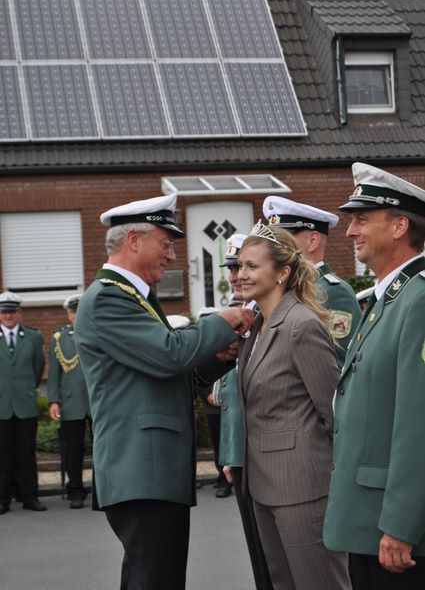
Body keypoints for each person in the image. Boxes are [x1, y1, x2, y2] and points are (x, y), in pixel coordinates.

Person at [74, 193, 253, 590]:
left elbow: (169, 373)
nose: (172, 256)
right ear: (133, 240)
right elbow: (171, 354)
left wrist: (219, 358)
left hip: (150, 470)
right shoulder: (109, 298)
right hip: (141, 469)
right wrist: (224, 320)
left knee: (155, 578)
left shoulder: (134, 298)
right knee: (154, 579)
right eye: (166, 243)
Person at [323, 162, 425, 589]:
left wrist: (401, 523)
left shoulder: (418, 300)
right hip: (368, 516)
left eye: (362, 219)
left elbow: (417, 422)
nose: (350, 231)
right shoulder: (389, 299)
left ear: (400, 226)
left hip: (393, 528)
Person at [237, 222, 351, 590]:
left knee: (319, 583)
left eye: (252, 266)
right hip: (263, 485)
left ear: (282, 273)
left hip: (303, 487)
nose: (241, 274)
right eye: (240, 266)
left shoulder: (301, 324)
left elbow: (334, 411)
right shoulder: (255, 329)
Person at [215, 233, 274, 589]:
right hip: (241, 451)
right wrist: (230, 449)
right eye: (232, 268)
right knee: (259, 553)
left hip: (266, 453)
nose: (236, 276)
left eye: (243, 267)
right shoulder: (244, 315)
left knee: (277, 557)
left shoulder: (267, 315)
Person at [263, 197, 361, 368]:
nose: (273, 248)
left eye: (282, 240)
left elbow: (340, 363)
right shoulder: (283, 289)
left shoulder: (333, 292)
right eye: (272, 241)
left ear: (313, 241)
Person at [0, 291, 46, 514]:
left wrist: (25, 389)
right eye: (4, 312)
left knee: (27, 452)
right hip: (1, 405)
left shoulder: (33, 337)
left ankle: (30, 497)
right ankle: (3, 499)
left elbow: (38, 368)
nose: (8, 315)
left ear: (19, 313)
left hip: (25, 404)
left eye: (12, 311)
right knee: (2, 454)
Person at [47, 294, 91, 509]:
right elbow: (53, 374)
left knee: (104, 447)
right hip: (71, 402)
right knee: (72, 449)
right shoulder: (60, 338)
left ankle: (104, 489)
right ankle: (75, 490)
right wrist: (54, 401)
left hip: (97, 401)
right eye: (73, 311)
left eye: (79, 310)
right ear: (69, 315)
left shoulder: (98, 332)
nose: (76, 314)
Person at [197, 306, 233, 499]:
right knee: (218, 444)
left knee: (233, 441)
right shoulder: (203, 350)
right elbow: (198, 376)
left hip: (232, 405)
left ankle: (233, 478)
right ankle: (223, 480)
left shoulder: (231, 345)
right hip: (213, 407)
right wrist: (207, 396)